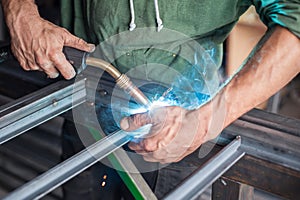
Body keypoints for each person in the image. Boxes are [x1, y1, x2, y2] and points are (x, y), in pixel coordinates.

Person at [1, 0, 300, 198]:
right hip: (85, 99)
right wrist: (19, 10)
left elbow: (296, 21)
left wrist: (205, 121)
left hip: (183, 116)